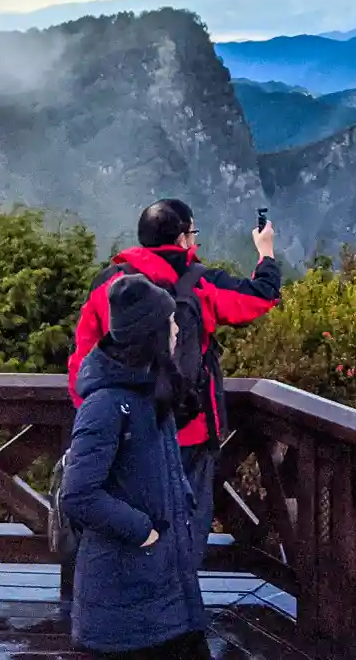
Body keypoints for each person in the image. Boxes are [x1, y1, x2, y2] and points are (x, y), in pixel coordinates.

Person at [68, 199, 281, 558]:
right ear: (183, 238)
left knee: (127, 522)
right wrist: (266, 252)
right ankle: (180, 598)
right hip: (190, 428)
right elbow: (260, 297)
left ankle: (135, 600)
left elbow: (83, 362)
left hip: (123, 431)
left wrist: (95, 417)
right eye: (192, 232)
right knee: (186, 525)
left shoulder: (109, 285)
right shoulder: (200, 283)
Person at [62, 273, 211, 659]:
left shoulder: (149, 391)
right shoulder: (108, 404)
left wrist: (182, 501)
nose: (178, 327)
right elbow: (77, 496)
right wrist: (144, 530)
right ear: (152, 334)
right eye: (170, 321)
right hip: (125, 603)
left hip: (164, 594)